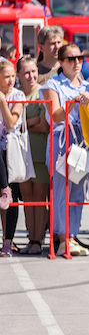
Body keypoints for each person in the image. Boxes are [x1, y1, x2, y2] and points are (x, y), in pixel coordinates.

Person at [40, 43, 89, 256]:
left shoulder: (87, 85)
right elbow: (55, 115)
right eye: (71, 59)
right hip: (61, 137)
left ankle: (72, 236)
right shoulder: (52, 85)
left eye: (79, 57)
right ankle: (62, 238)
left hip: (81, 138)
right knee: (61, 190)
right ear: (61, 63)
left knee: (78, 190)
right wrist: (74, 102)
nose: (77, 62)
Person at [16, 56, 50, 255]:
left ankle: (38, 239)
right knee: (27, 199)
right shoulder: (17, 94)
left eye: (34, 71)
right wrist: (32, 121)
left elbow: (45, 125)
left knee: (39, 198)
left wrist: (23, 123)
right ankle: (31, 238)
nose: (31, 76)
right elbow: (11, 122)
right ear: (19, 75)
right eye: (26, 72)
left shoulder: (43, 93)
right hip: (20, 154)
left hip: (39, 153)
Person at [0, 61, 25, 257]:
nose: (11, 80)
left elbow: (10, 123)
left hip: (11, 151)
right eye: (6, 76)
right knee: (3, 197)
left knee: (12, 198)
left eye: (12, 76)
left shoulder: (18, 95)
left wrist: (2, 101)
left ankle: (8, 241)